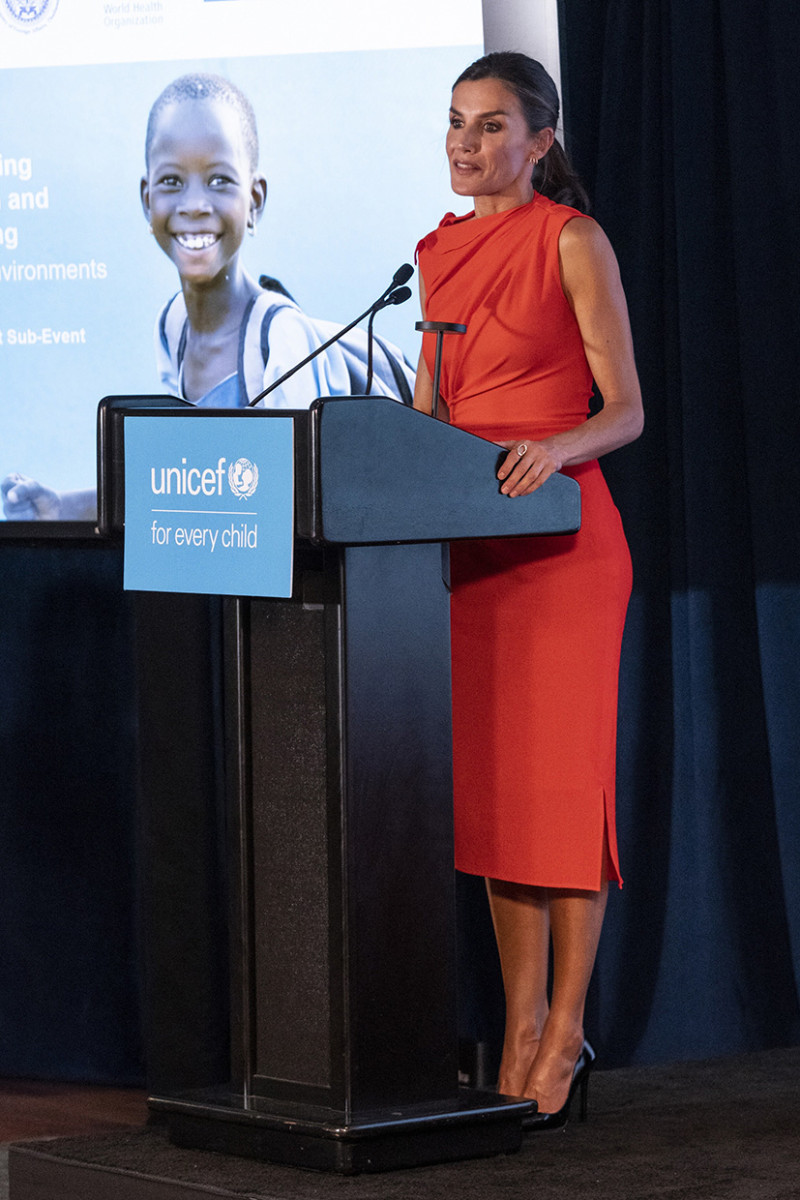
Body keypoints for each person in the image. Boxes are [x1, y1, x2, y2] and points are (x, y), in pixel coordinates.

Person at [413, 51, 643, 1128]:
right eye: (455, 123)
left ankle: (562, 1034)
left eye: (489, 125)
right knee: (501, 805)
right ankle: (514, 1028)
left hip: (561, 546)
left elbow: (625, 410)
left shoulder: (570, 238)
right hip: (474, 550)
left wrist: (554, 446)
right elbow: (426, 411)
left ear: (539, 142)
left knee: (557, 800)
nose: (466, 143)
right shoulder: (434, 253)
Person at [2, 73, 413, 521]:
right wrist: (62, 506)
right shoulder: (173, 325)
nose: (194, 204)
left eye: (219, 181)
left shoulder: (281, 341)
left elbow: (292, 508)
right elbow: (180, 478)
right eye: (172, 182)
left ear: (255, 200)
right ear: (146, 199)